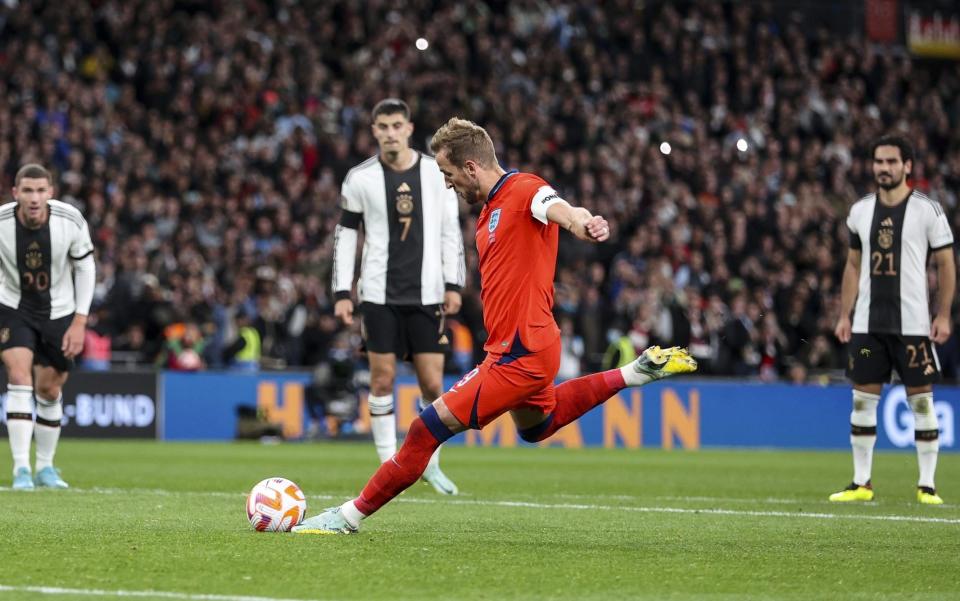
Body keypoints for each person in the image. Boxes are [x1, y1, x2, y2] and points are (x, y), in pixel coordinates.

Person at [293, 117, 697, 534]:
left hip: (518, 355)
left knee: (423, 428)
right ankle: (635, 372)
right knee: (538, 426)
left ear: (471, 167)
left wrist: (582, 222)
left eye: (449, 175)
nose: (448, 185)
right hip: (532, 346)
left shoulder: (524, 190)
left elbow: (557, 206)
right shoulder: (489, 208)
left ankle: (345, 518)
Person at [330, 99, 466, 495]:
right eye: (383, 126)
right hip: (377, 294)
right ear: (374, 130)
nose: (390, 133)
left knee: (432, 385)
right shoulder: (360, 179)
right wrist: (342, 290)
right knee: (382, 379)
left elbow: (449, 231)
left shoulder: (433, 172)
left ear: (408, 128)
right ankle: (388, 464)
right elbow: (346, 235)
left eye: (396, 125)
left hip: (426, 294)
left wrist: (453, 283)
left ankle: (431, 465)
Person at [831, 135, 955, 505]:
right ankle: (861, 483)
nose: (883, 168)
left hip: (913, 326)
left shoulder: (927, 211)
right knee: (862, 401)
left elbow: (947, 264)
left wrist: (944, 314)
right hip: (869, 328)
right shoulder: (860, 211)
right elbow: (853, 265)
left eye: (891, 162)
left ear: (907, 166)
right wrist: (844, 314)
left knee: (921, 403)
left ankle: (927, 485)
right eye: (878, 162)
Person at [1, 164, 95, 490]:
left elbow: (86, 269)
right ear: (16, 194)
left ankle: (45, 467)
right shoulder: (1, 223)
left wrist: (80, 321)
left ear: (51, 192)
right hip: (13, 307)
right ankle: (21, 469)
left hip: (59, 312)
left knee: (49, 389)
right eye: (27, 190)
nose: (34, 198)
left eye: (41, 190)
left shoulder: (70, 220)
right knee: (18, 376)